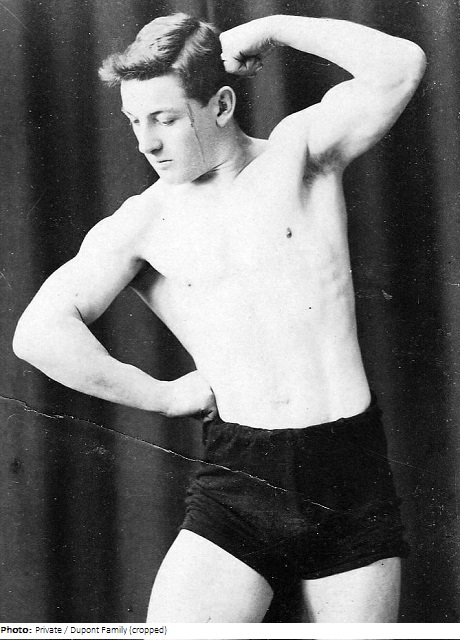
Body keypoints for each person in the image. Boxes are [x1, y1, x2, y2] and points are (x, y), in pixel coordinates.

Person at [13, 11, 426, 623]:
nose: (146, 143)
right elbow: (38, 334)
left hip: (348, 471)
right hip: (241, 477)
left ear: (222, 105)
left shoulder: (300, 154)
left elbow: (402, 66)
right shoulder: (144, 220)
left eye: (165, 118)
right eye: (134, 121)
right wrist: (161, 395)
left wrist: (273, 27)